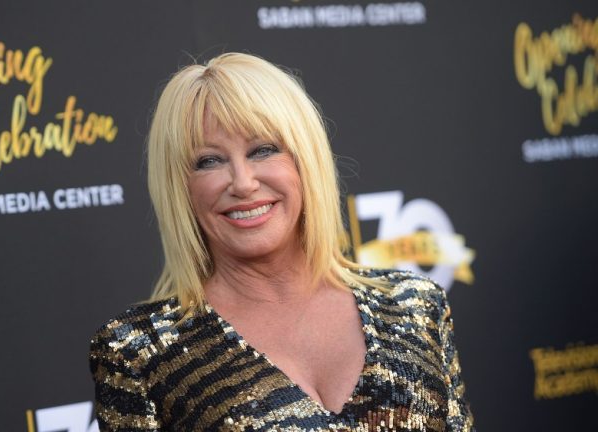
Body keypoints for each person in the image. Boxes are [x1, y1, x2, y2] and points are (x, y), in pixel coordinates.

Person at [89, 52, 474, 431]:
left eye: (263, 150)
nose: (242, 182)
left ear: (305, 160)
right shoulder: (139, 352)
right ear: (180, 188)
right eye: (209, 161)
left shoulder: (414, 306)